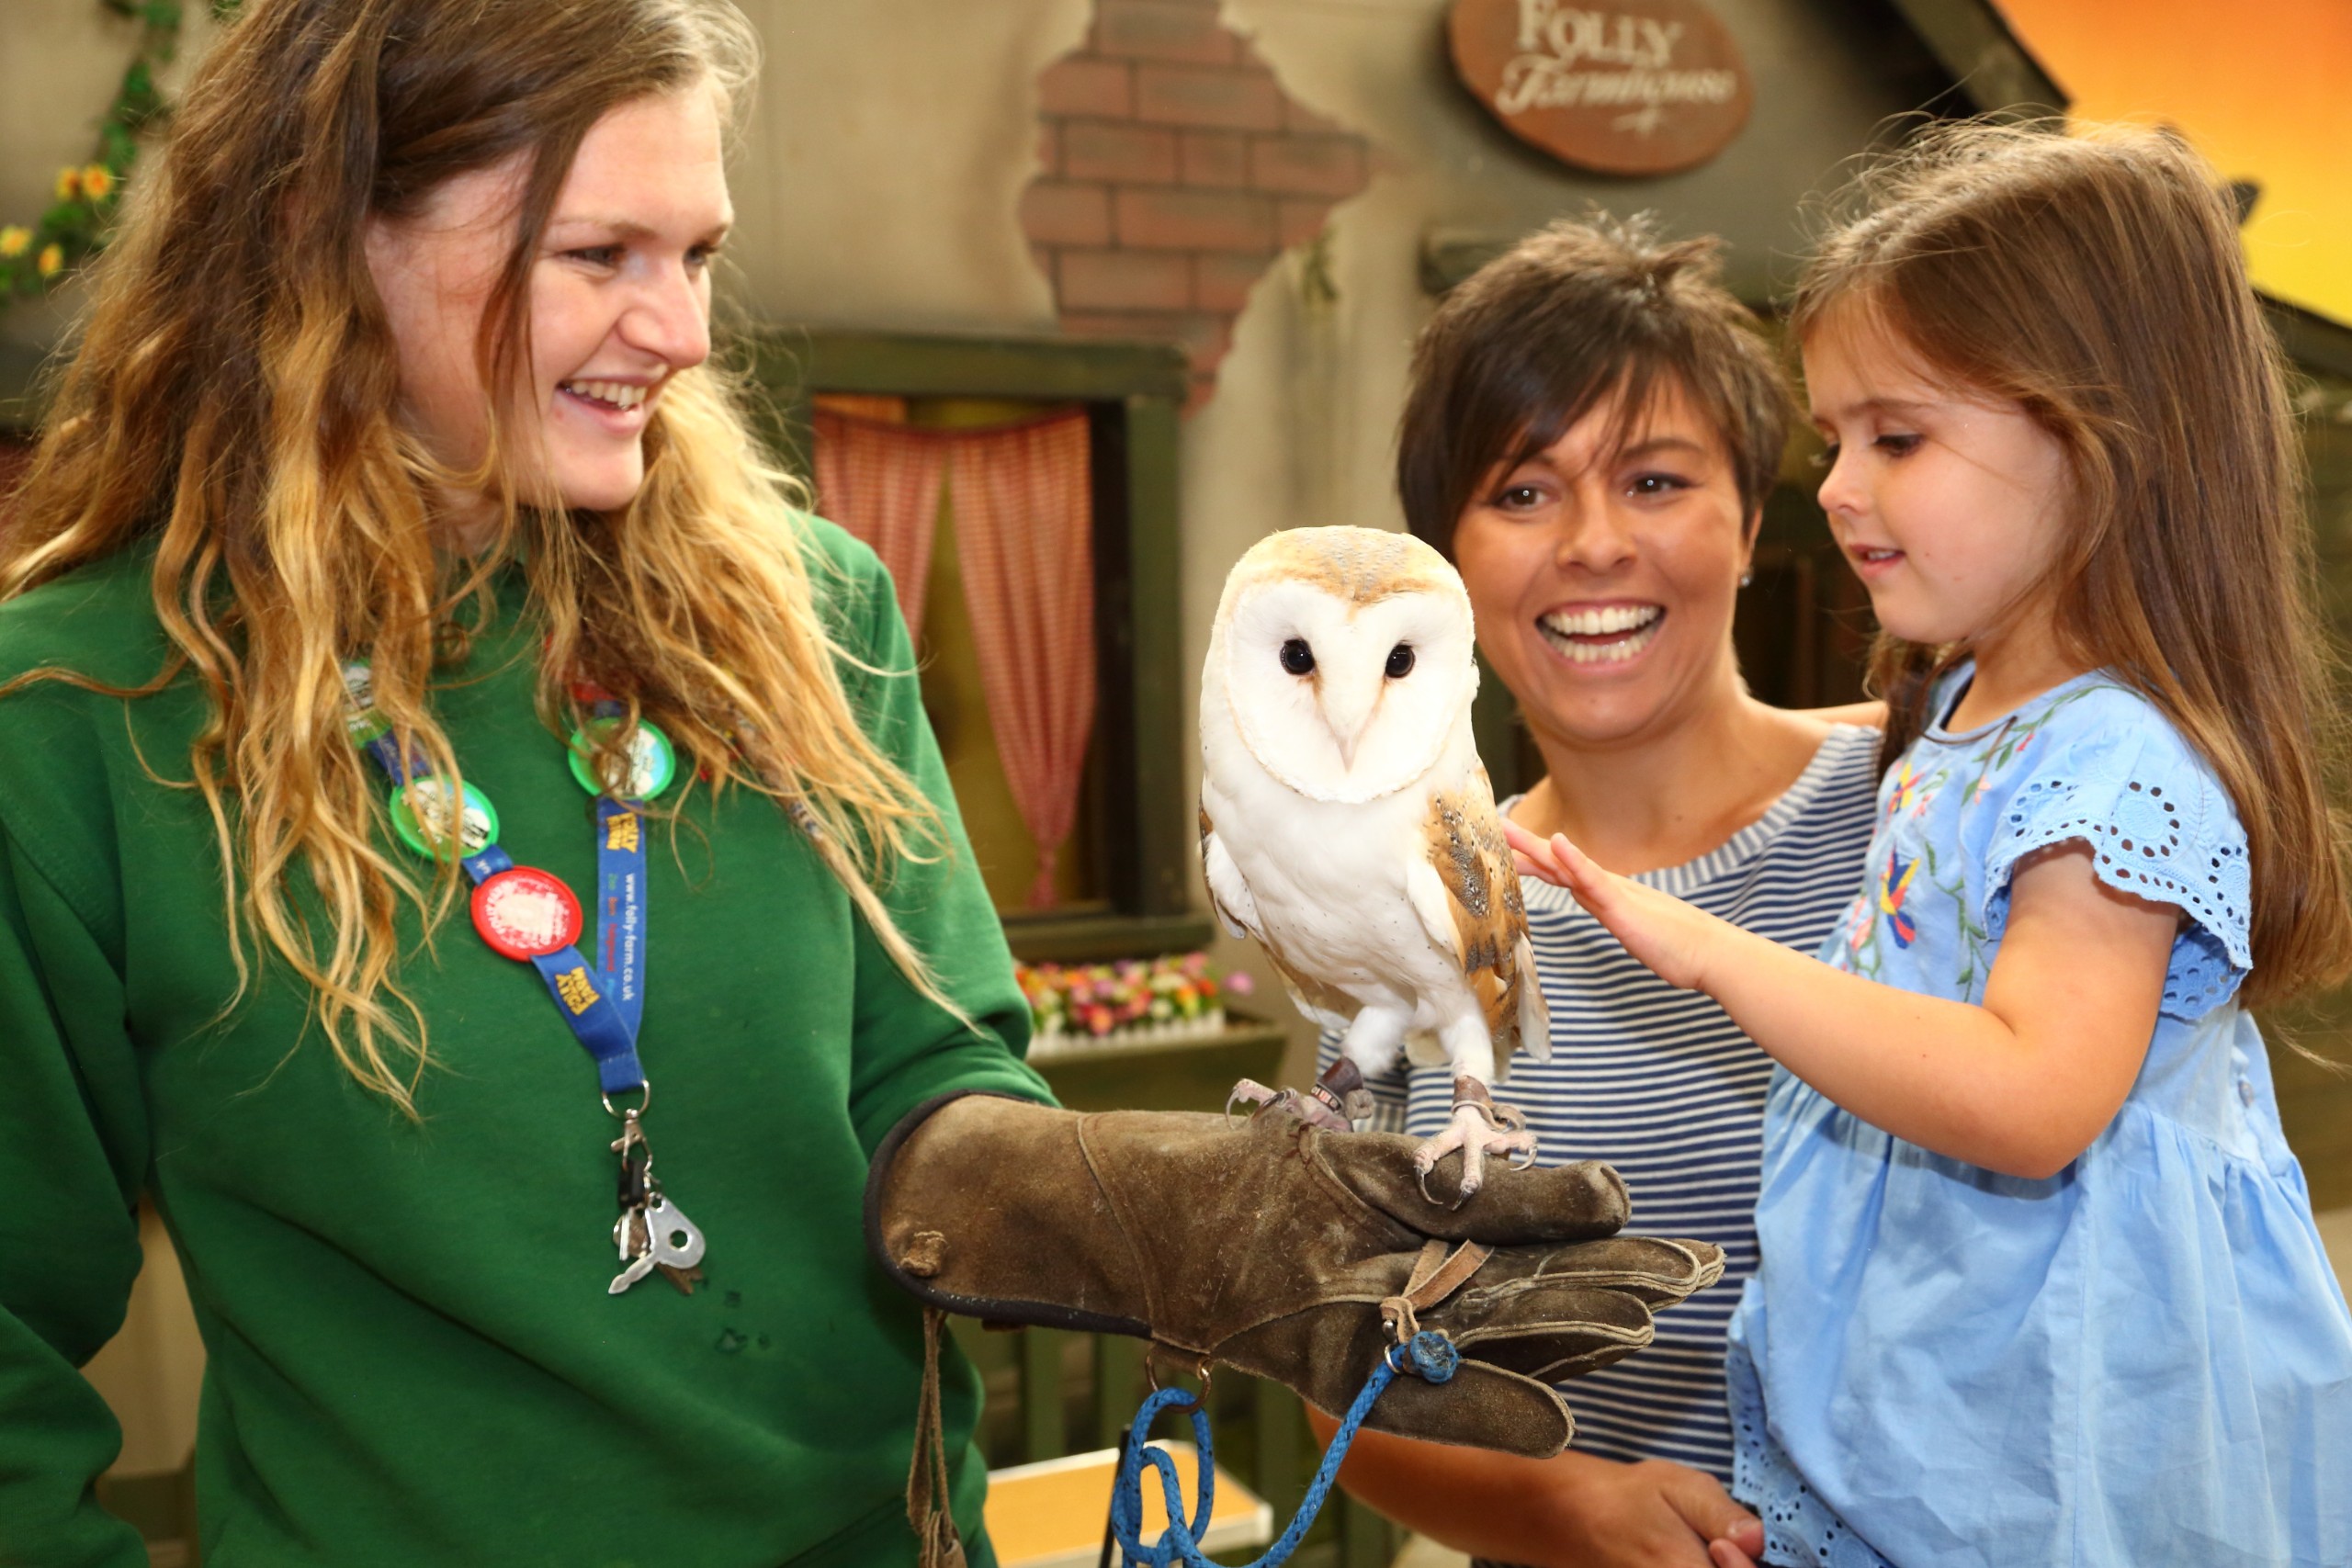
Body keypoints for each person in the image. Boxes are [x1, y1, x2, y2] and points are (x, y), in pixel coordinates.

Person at [0, 4, 1725, 1565]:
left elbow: (929, 1070)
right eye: (598, 252)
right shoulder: (80, 712)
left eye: (697, 252)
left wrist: (1185, 1229)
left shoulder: (801, 611)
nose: (677, 331)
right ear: (329, 247)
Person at [1510, 122, 2352, 1568]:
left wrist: (1714, 952)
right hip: (1937, 1362)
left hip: (2053, 1412)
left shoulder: (2120, 762)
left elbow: (2033, 1095)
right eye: (1835, 437)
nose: (1835, 487)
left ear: (2104, 442)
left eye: (1897, 436)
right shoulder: (1967, 701)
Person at [1309, 218, 1883, 1568]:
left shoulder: (1924, 804)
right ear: (1442, 575)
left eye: (1655, 480)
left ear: (1750, 520)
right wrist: (1557, 1508)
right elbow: (1337, 1363)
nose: (1591, 544)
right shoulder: (1408, 923)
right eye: (1521, 494)